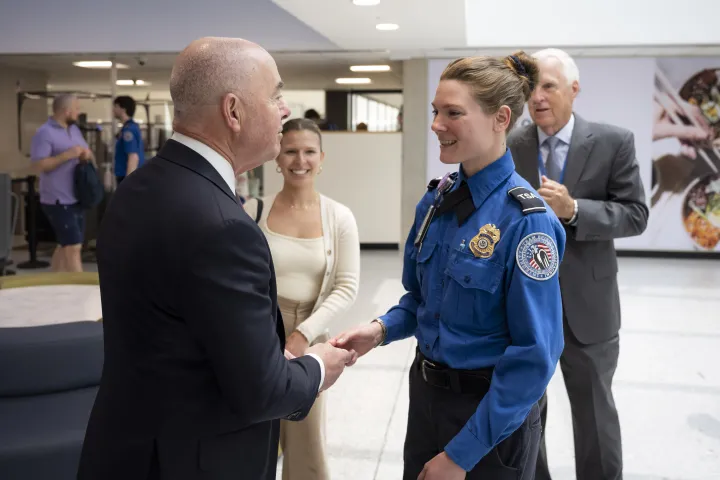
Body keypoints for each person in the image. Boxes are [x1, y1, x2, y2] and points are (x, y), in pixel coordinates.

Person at [77, 37, 356, 480]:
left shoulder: (136, 189)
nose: (284, 110)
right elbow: (261, 391)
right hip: (195, 460)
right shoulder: (223, 226)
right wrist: (320, 364)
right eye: (275, 95)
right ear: (233, 111)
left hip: (124, 448)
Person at [332, 52, 566, 480]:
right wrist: (381, 329)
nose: (437, 124)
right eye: (436, 111)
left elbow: (535, 357)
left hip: (490, 421)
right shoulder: (437, 200)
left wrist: (461, 455)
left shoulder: (527, 222)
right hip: (426, 399)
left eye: (453, 113)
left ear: (501, 118)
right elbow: (420, 300)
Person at [507, 48, 649, 480]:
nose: (538, 97)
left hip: (589, 304)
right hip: (525, 304)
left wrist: (574, 210)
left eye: (548, 86)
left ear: (574, 89)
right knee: (525, 411)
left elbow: (635, 214)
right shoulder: (512, 144)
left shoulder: (613, 141)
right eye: (532, 88)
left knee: (594, 412)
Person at [244, 118, 360, 480]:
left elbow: (346, 286)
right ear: (276, 157)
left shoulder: (339, 217)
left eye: (309, 151)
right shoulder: (252, 210)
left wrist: (303, 335)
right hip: (257, 333)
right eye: (290, 151)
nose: (300, 160)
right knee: (252, 434)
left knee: (304, 442)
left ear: (321, 158)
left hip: (308, 339)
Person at [30, 93, 93, 272]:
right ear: (66, 111)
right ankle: (80, 293)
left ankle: (53, 284)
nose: (78, 112)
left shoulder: (74, 130)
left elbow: (85, 150)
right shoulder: (44, 133)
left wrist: (85, 155)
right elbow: (39, 165)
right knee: (73, 247)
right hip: (57, 199)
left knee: (65, 244)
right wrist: (67, 155)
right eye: (76, 109)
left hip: (76, 196)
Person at [112, 95, 145, 184]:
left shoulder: (129, 130)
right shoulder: (130, 127)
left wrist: (128, 183)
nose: (113, 109)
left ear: (123, 109)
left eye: (116, 106)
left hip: (127, 176)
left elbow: (133, 157)